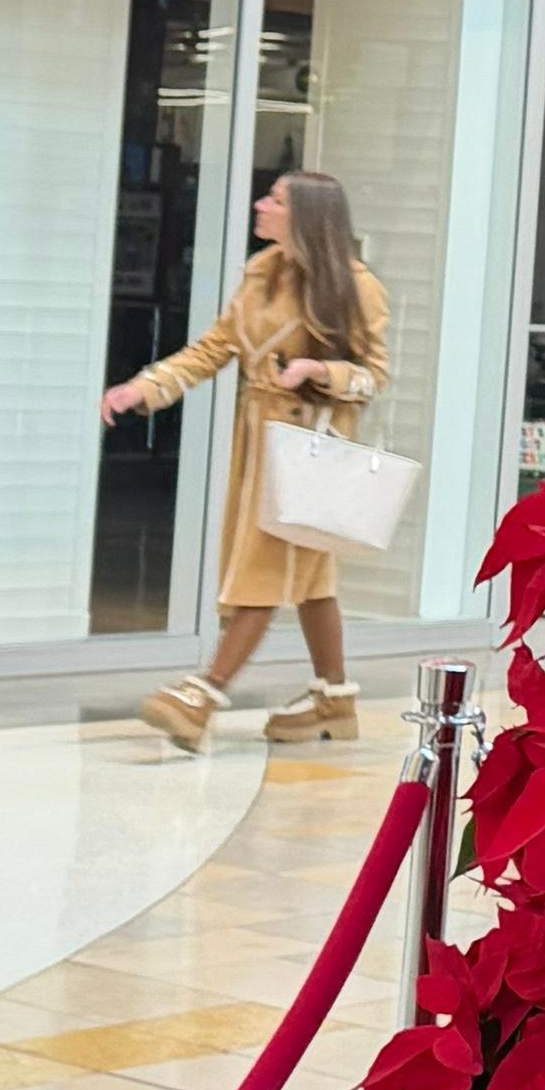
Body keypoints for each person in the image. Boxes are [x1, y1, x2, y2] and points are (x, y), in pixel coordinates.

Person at [106, 171, 393, 749]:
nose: (261, 205)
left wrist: (320, 371)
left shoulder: (356, 287)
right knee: (309, 576)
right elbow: (214, 348)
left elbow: (374, 375)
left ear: (305, 215)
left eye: (275, 200)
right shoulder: (262, 273)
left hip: (309, 448)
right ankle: (334, 700)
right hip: (259, 440)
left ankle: (204, 694)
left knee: (266, 567)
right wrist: (145, 387)